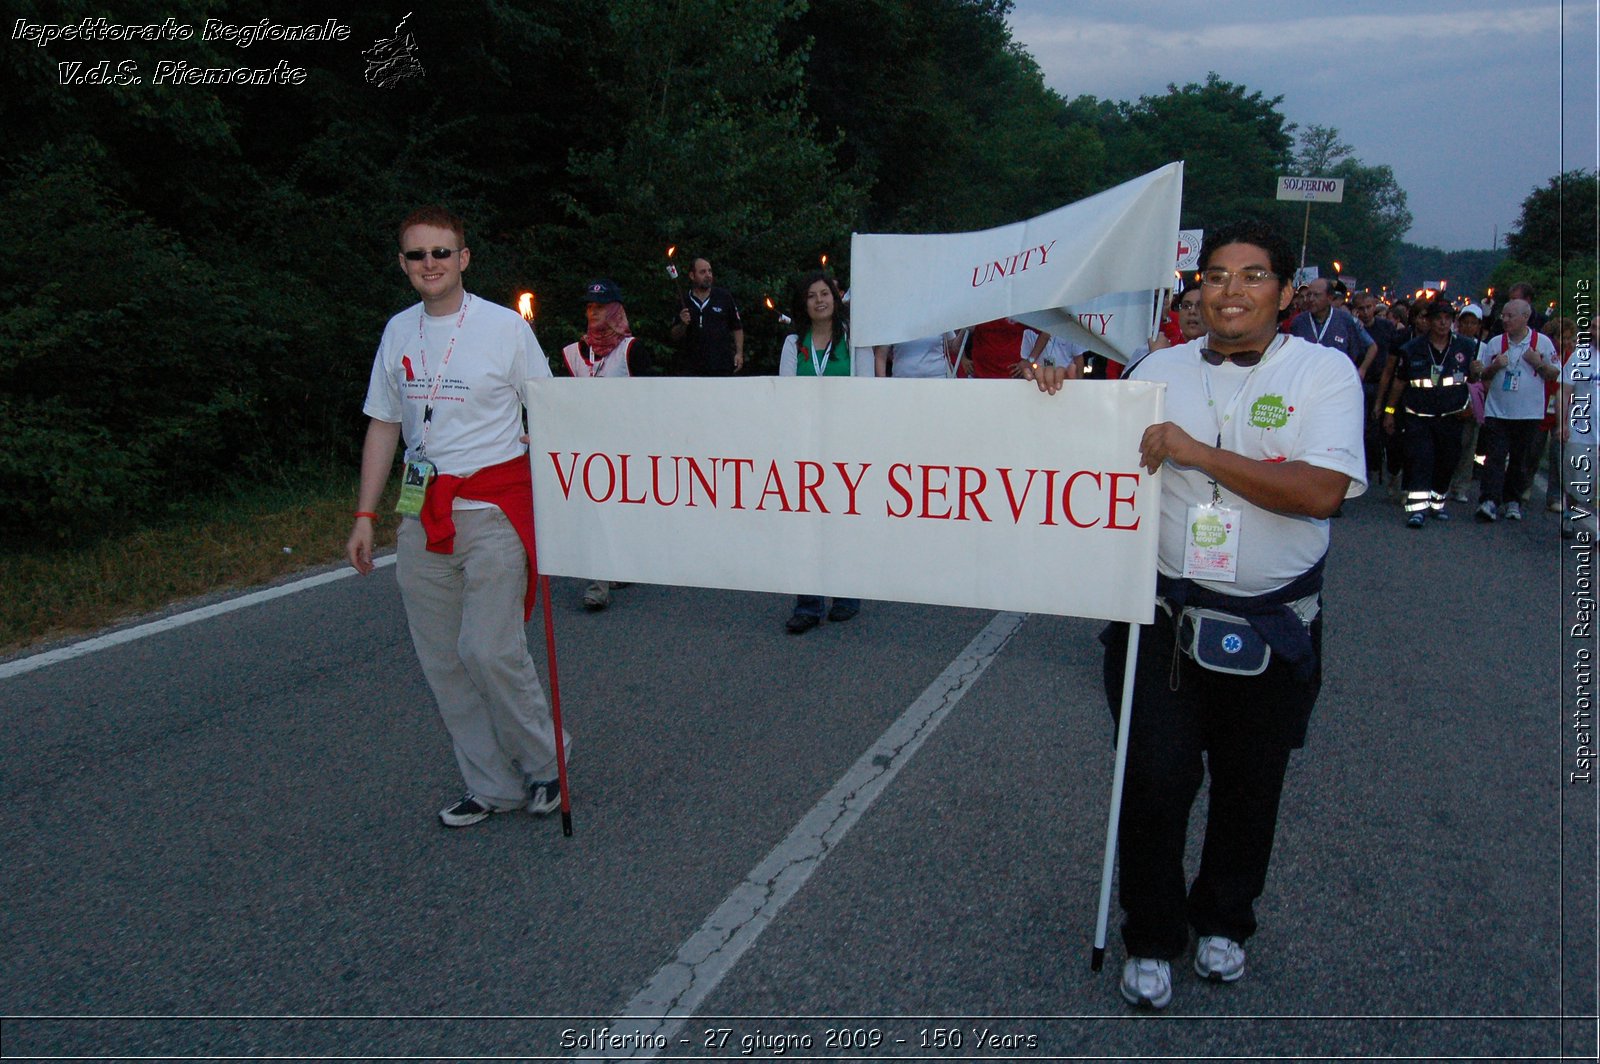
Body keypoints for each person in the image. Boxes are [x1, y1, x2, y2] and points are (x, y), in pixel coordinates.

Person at [1031, 220, 1364, 1010]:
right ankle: (1151, 933)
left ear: (1285, 292)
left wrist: (1199, 453)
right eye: (1215, 276)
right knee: (1151, 782)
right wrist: (1049, 398)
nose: (1231, 290)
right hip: (1164, 620)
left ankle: (1225, 920)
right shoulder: (1158, 366)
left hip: (1274, 628)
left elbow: (1321, 492)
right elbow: (1092, 453)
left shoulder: (1324, 373)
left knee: (1252, 785)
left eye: (1253, 276)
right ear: (1196, 289)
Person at [347, 205, 568, 828]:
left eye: (441, 253)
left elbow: (549, 414)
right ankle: (491, 783)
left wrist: (564, 499)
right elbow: (385, 423)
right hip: (422, 513)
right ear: (403, 264)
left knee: (488, 649)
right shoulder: (398, 332)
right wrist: (366, 514)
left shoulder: (503, 329)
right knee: (443, 659)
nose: (430, 265)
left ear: (463, 258)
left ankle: (549, 764)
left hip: (494, 509)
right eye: (417, 255)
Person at [778, 271, 871, 633]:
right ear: (804, 305)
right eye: (811, 296)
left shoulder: (854, 340)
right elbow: (786, 395)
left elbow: (866, 393)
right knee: (805, 525)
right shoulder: (793, 344)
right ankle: (808, 604)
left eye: (825, 293)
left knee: (843, 522)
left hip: (846, 444)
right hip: (806, 445)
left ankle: (847, 595)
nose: (819, 300)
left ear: (835, 297)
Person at [561, 279, 650, 608]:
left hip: (624, 448)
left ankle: (618, 566)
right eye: (589, 306)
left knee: (619, 512)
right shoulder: (573, 353)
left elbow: (649, 401)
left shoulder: (632, 351)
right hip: (587, 449)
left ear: (614, 309)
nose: (593, 311)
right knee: (594, 512)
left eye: (600, 306)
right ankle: (596, 586)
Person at [1381, 299, 1477, 527]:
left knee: (1447, 461)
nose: (1443, 323)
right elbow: (1399, 382)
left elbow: (1472, 380)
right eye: (1438, 319)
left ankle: (1437, 502)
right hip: (1419, 415)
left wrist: (1476, 381)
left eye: (1447, 319)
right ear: (1429, 321)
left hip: (1451, 416)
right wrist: (1389, 411)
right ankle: (1417, 509)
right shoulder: (1412, 348)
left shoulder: (1465, 347)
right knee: (1420, 459)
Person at [1471, 299, 1563, 522]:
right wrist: (1494, 366)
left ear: (1525, 317)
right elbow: (1481, 375)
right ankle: (1489, 500)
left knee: (1520, 459)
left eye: (1510, 316)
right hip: (1498, 411)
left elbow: (1555, 373)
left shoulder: (1542, 343)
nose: (1505, 320)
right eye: (1503, 315)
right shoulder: (1495, 343)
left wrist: (1537, 363)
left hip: (1529, 413)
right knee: (1494, 457)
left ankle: (1513, 499)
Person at [1290, 277, 1378, 382]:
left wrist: (1361, 370)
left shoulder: (1346, 321)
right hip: (1305, 381)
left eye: (1317, 295)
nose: (1311, 299)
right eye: (1309, 295)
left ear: (1330, 298)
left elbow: (1366, 348)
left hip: (1336, 382)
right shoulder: (1298, 322)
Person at [668, 257, 745, 375]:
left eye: (710, 271)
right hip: (691, 368)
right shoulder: (683, 301)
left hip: (721, 366)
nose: (708, 275)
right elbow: (674, 335)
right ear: (692, 276)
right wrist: (683, 324)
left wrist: (739, 353)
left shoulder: (723, 297)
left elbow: (737, 327)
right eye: (702, 272)